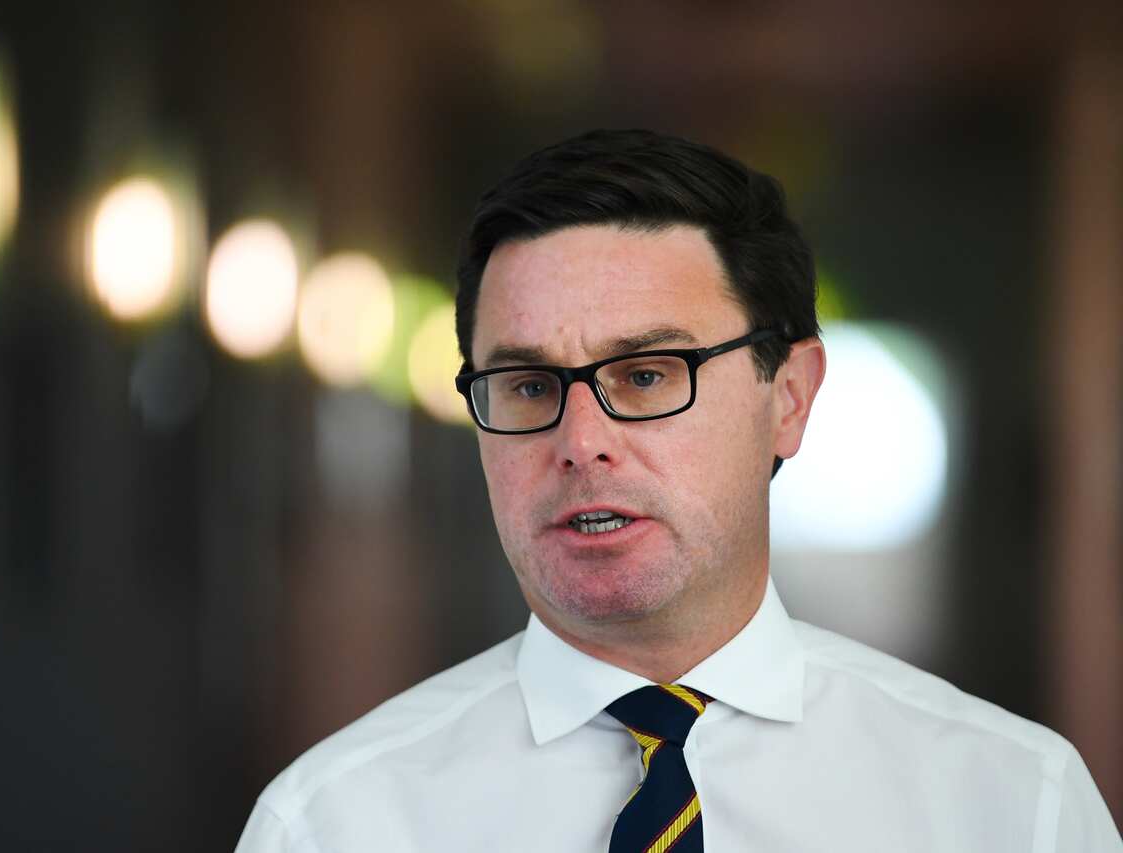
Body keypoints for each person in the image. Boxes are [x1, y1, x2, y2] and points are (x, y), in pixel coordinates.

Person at [235, 129, 1120, 852]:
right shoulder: (330, 823)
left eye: (650, 375)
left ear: (790, 398)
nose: (581, 443)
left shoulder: (1011, 806)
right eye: (530, 386)